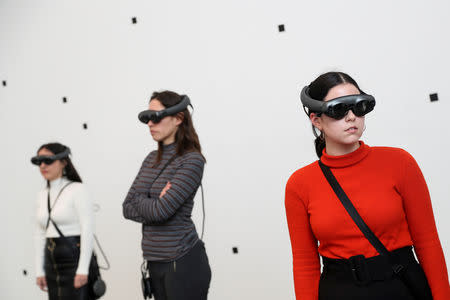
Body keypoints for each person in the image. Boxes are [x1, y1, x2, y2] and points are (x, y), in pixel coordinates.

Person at [285, 71, 450, 300]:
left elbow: (428, 243)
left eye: (358, 107)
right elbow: (305, 264)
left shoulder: (400, 163)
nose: (352, 116)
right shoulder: (300, 184)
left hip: (402, 288)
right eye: (338, 109)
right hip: (339, 291)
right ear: (316, 120)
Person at [123, 90, 211, 300]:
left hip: (182, 262)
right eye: (147, 118)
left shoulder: (191, 161)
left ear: (178, 118)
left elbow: (162, 211)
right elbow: (127, 206)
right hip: (154, 263)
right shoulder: (151, 159)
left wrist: (145, 201)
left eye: (156, 117)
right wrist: (154, 203)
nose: (150, 124)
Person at [33, 143, 94, 300]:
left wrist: (83, 269)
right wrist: (39, 271)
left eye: (48, 160)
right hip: (51, 261)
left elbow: (87, 229)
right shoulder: (42, 194)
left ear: (64, 162)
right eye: (39, 161)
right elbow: (39, 233)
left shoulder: (77, 189)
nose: (43, 165)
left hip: (73, 258)